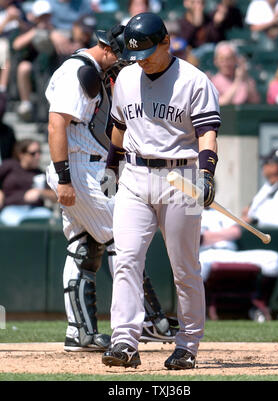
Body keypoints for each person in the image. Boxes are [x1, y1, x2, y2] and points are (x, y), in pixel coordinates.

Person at [45, 23, 178, 352]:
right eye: (121, 55)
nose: (125, 62)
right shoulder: (77, 70)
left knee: (84, 248)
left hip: (87, 165)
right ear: (107, 48)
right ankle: (148, 320)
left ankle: (81, 333)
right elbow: (55, 123)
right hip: (77, 167)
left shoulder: (91, 70)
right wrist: (63, 178)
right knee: (124, 238)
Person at [102, 12, 221, 370]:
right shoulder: (126, 77)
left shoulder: (194, 81)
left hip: (180, 177)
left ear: (167, 42)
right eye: (134, 53)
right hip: (135, 177)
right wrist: (111, 166)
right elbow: (119, 126)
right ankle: (124, 341)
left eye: (147, 52)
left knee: (184, 267)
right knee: (125, 259)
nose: (141, 59)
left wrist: (207, 173)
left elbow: (207, 133)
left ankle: (187, 344)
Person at [200, 207, 278, 321]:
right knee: (198, 265)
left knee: (273, 259)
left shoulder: (220, 209)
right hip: (207, 254)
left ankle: (259, 305)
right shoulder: (187, 211)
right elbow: (198, 238)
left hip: (231, 253)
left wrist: (209, 236)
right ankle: (201, 310)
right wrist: (223, 234)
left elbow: (236, 232)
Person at [12, 0, 55, 121]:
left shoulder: (54, 30)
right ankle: (26, 104)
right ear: (35, 17)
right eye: (41, 17)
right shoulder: (28, 29)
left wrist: (51, 33)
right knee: (24, 67)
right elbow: (16, 44)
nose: (44, 19)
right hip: (34, 67)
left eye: (46, 16)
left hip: (51, 68)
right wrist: (36, 31)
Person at [0, 138, 56, 225]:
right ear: (21, 154)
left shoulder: (40, 173)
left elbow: (55, 197)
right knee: (16, 222)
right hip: (11, 209)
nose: (37, 156)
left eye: (39, 152)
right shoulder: (10, 166)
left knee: (49, 218)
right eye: (33, 153)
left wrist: (40, 192)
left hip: (36, 210)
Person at [242, 148, 278, 228]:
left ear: (276, 167)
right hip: (257, 235)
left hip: (273, 238)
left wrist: (255, 220)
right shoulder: (268, 186)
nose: (263, 166)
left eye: (267, 163)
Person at [211, 41, 260, 105]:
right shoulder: (213, 82)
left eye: (229, 59)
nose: (226, 63)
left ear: (235, 60)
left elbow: (255, 102)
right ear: (216, 61)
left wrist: (245, 78)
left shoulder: (247, 79)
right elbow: (221, 104)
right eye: (222, 59)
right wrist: (237, 81)